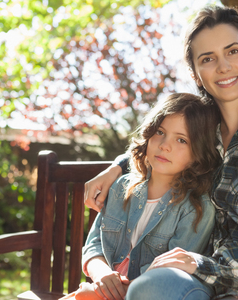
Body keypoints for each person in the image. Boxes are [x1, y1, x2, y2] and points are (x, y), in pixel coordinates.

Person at [84, 5, 238, 300]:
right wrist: (116, 168)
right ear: (196, 74)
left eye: (233, 51)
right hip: (202, 281)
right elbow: (160, 149)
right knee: (152, 287)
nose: (223, 66)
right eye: (208, 59)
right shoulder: (200, 132)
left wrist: (207, 265)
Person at [64, 93, 221, 300]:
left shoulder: (197, 208)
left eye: (181, 139)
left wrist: (98, 293)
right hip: (103, 290)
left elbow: (168, 276)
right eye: (160, 132)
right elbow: (94, 244)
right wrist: (101, 276)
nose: (165, 145)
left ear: (198, 153)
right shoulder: (121, 186)